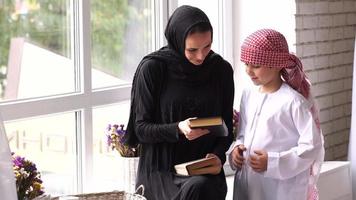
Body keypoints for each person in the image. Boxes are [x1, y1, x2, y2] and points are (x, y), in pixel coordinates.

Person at [123, 5, 235, 200]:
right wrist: (178, 128)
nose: (201, 56)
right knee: (198, 188)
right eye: (192, 49)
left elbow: (226, 127)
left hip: (203, 170)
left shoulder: (221, 70)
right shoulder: (153, 69)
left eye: (207, 46)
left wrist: (218, 156)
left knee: (201, 186)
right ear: (177, 40)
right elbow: (141, 129)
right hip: (161, 171)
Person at [229, 29, 324, 200]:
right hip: (248, 183)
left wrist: (274, 162)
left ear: (276, 64)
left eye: (255, 65)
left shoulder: (293, 102)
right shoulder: (248, 95)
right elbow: (243, 134)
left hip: (282, 189)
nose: (248, 70)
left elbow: (312, 146)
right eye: (246, 63)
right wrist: (236, 149)